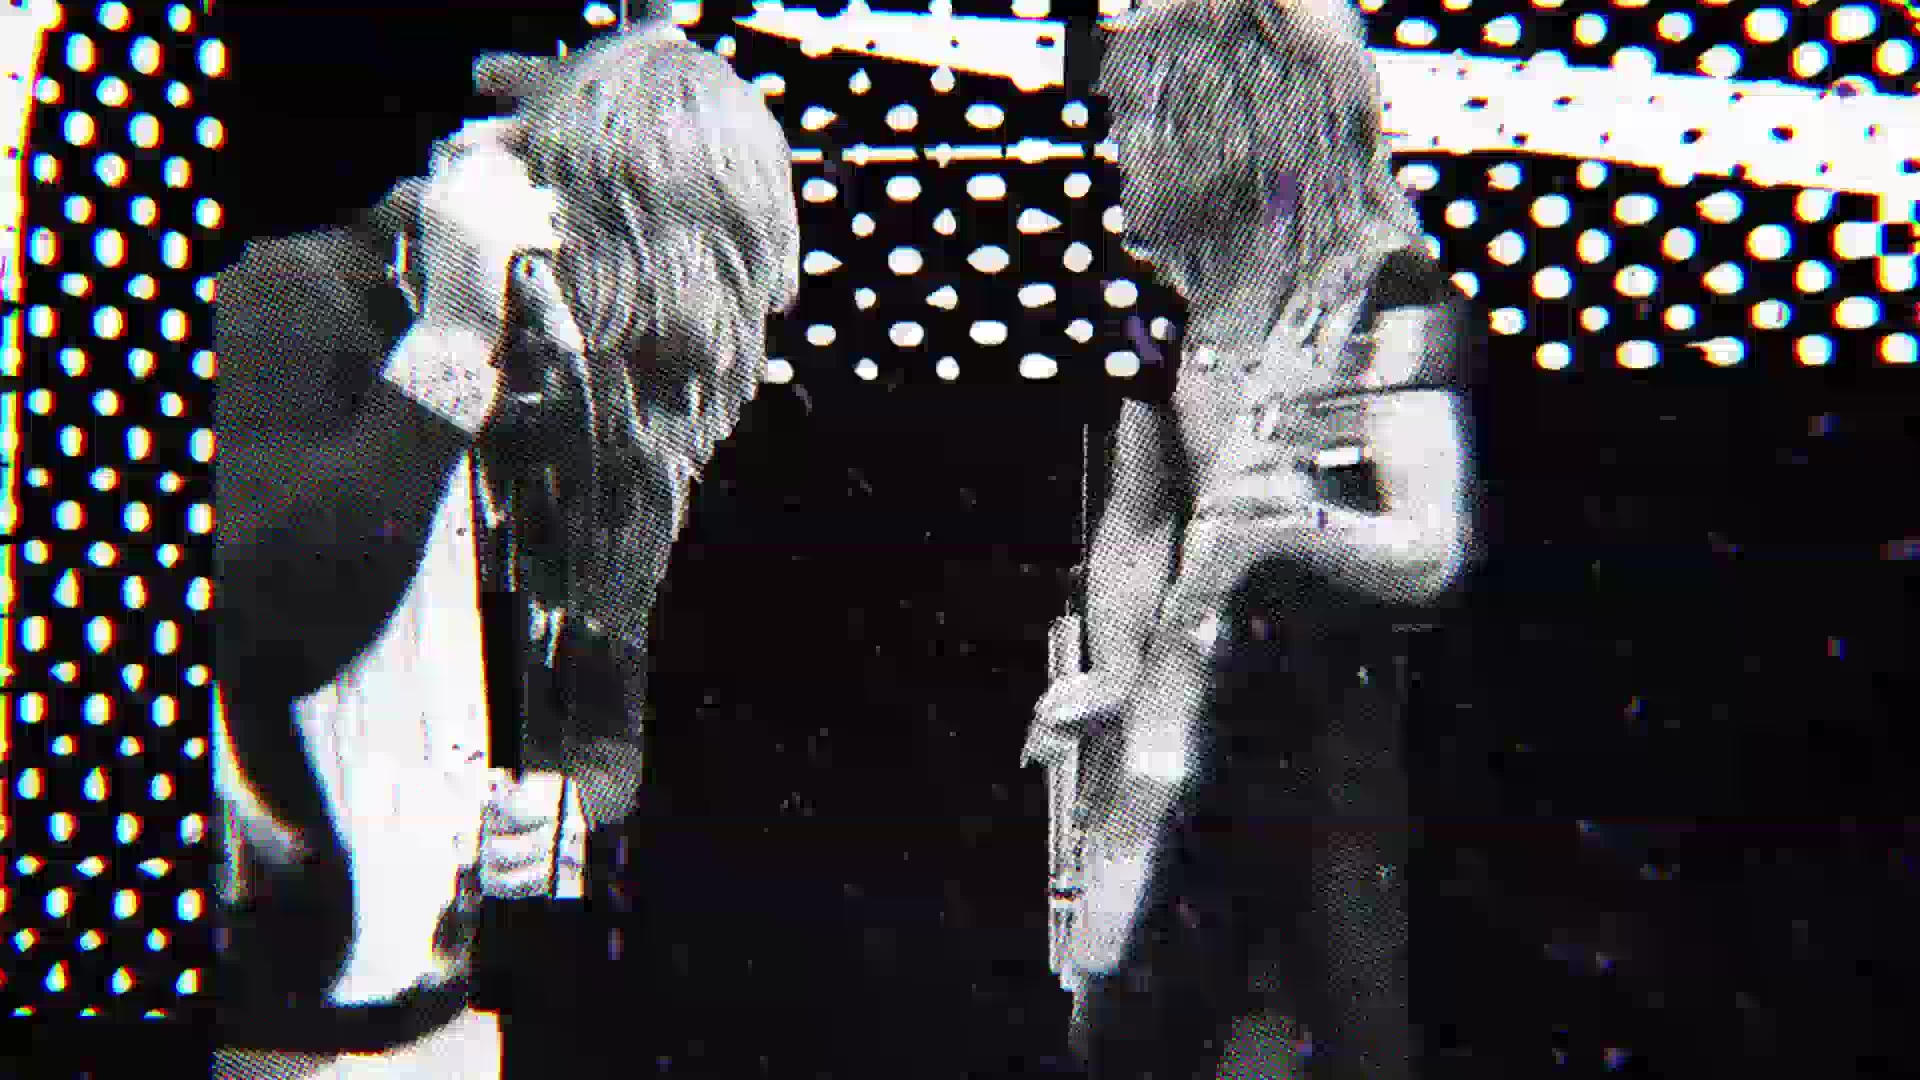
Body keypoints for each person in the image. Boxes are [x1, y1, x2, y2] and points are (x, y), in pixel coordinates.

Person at [211, 16, 799, 1076]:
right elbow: (264, 630)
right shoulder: (301, 298)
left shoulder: (571, 403)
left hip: (444, 1023)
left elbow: (607, 713)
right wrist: (450, 343)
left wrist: (580, 800)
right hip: (261, 1036)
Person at [1028, 1, 1480, 1077]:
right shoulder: (1169, 312)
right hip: (1181, 752)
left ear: (1223, 123)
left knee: (1334, 1022)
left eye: (1140, 120)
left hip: (1327, 744)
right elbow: (1137, 523)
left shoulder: (1387, 293)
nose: (1120, 148)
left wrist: (1293, 529)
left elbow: (1432, 539)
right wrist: (1123, 675)